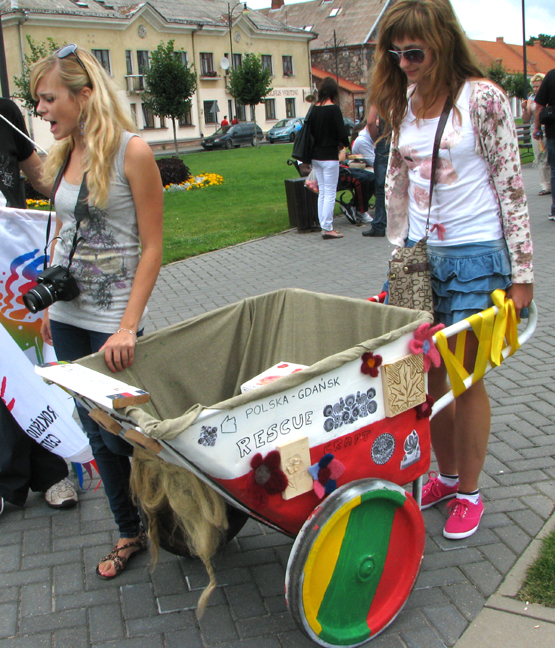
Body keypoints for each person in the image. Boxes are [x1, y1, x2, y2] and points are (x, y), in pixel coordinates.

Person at [370, 0, 533, 539]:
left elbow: (512, 187)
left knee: (466, 378)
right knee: (426, 377)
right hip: (422, 260)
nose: (405, 64)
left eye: (414, 52)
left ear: (442, 43)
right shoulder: (408, 99)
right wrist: (400, 255)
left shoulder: (482, 98)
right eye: (396, 55)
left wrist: (523, 273)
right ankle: (447, 474)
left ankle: (471, 491)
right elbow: (403, 183)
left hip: (475, 259)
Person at [30, 44, 163, 577]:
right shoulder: (63, 154)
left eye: (47, 99)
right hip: (68, 317)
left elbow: (151, 247)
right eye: (38, 101)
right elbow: (65, 228)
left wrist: (128, 324)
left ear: (84, 96)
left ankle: (165, 514)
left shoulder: (132, 152)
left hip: (113, 325)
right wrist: (48, 296)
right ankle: (128, 531)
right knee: (93, 431)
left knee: (122, 432)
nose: (41, 110)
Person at [0, 97, 78, 514]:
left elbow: (41, 176)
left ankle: (52, 472)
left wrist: (85, 191)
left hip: (11, 267)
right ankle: (7, 481)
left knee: (33, 361)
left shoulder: (3, 113)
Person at [310, 77, 350, 239]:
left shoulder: (314, 109)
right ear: (334, 92)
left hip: (315, 156)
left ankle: (324, 224)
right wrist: (344, 146)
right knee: (330, 192)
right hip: (329, 156)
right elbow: (342, 133)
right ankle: (328, 227)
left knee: (322, 193)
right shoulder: (334, 110)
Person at [362, 105, 389, 237]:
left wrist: (376, 139)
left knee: (381, 186)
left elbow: (371, 121)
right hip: (404, 138)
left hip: (385, 139)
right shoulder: (409, 90)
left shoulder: (381, 93)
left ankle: (379, 224)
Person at [522, 73, 550, 196]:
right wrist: (525, 109)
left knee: (549, 158)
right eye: (534, 86)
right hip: (536, 132)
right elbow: (526, 119)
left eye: (538, 86)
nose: (536, 89)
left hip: (547, 130)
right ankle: (546, 185)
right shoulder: (531, 98)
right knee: (540, 158)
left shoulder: (548, 96)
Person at [533, 68, 555, 221]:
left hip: (553, 131)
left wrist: (536, 127)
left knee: (554, 170)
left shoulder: (551, 76)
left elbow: (539, 106)